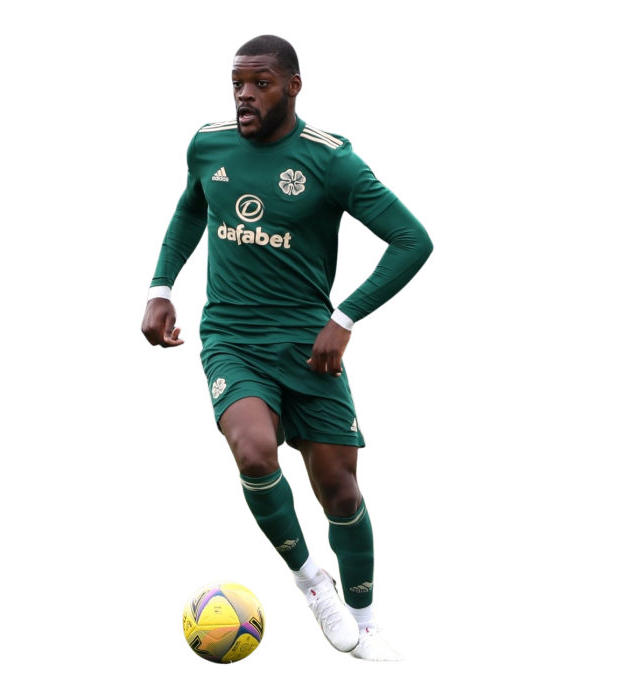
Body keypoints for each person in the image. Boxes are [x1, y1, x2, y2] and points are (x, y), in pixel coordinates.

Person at [141, 34, 433, 662]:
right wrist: (161, 287)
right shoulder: (208, 143)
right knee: (253, 451)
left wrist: (345, 317)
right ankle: (310, 580)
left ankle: (368, 626)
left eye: (261, 83)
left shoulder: (332, 161)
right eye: (237, 84)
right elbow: (192, 208)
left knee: (340, 489)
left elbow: (412, 240)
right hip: (232, 337)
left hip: (308, 345)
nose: (244, 95)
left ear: (294, 87)